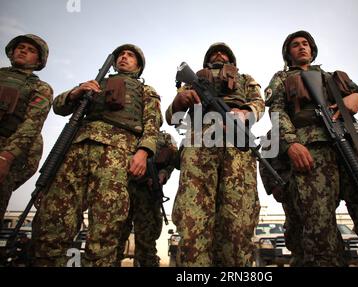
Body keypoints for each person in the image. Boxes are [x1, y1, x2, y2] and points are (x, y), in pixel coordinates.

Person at [265, 30, 358, 266]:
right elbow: (277, 111)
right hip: (312, 150)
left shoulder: (334, 77)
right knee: (318, 224)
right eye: (295, 45)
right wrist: (291, 143)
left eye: (306, 44)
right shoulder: (281, 78)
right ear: (288, 53)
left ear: (312, 50)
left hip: (352, 148)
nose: (302, 47)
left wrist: (355, 98)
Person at [31, 44, 162, 267]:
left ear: (138, 66)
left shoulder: (145, 90)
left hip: (116, 154)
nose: (124, 57)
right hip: (75, 150)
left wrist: (143, 152)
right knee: (51, 222)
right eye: (121, 55)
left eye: (130, 56)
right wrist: (76, 92)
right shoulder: (95, 83)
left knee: (106, 226)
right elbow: (59, 106)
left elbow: (152, 124)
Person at [165, 42, 264, 266]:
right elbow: (172, 118)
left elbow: (259, 103)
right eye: (214, 53)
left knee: (238, 220)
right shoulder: (192, 82)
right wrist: (180, 101)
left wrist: (245, 113)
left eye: (225, 53)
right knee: (193, 220)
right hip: (199, 143)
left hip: (237, 145)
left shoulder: (245, 78)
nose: (219, 55)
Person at [0, 34, 53, 224]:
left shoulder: (40, 87)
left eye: (31, 50)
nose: (23, 51)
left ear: (38, 60)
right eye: (21, 47)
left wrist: (6, 157)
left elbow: (32, 125)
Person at [116, 131, 177, 267]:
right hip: (122, 187)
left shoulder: (165, 138)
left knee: (146, 244)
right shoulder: (130, 128)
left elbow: (172, 161)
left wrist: (162, 175)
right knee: (115, 238)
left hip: (148, 193)